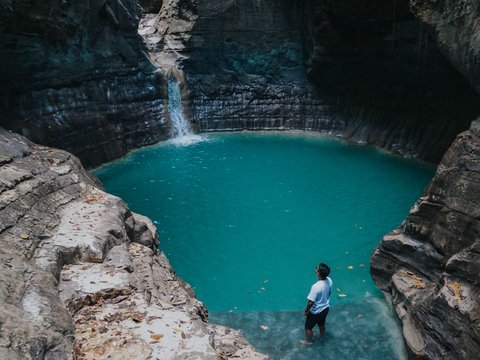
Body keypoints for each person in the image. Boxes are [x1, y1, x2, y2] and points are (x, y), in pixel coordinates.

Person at [300, 263, 332, 345]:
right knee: (321, 324)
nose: (316, 268)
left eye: (317, 268)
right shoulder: (329, 280)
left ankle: (308, 341)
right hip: (325, 308)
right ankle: (322, 336)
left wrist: (306, 311)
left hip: (316, 312)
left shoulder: (316, 287)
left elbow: (311, 302)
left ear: (318, 272)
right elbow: (329, 292)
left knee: (308, 327)